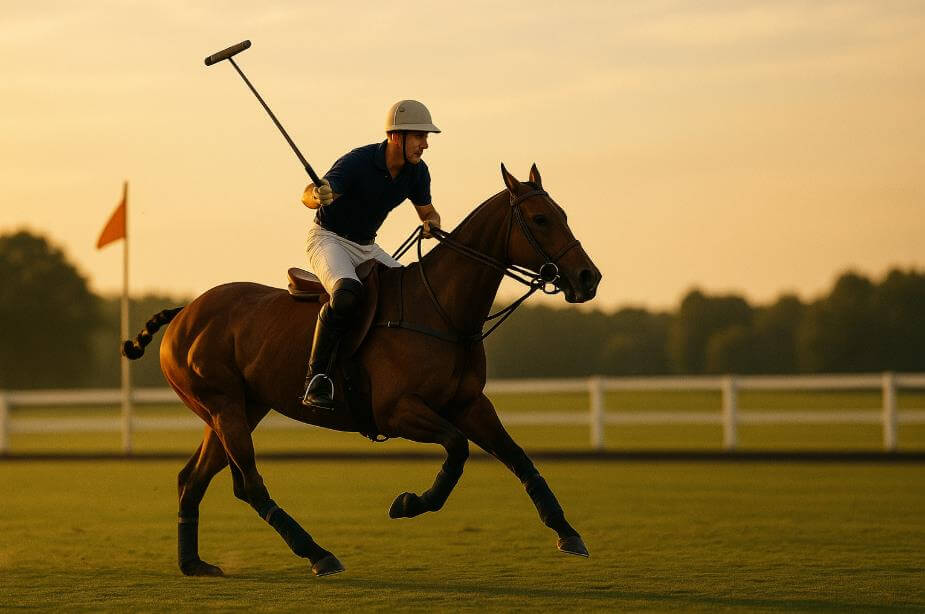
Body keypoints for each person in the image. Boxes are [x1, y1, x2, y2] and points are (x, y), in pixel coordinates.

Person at [300, 100, 442, 409]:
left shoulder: (417, 173)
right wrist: (317, 194)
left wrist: (432, 224)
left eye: (425, 137)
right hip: (329, 239)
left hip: (366, 246)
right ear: (396, 136)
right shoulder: (357, 162)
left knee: (412, 291)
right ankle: (316, 378)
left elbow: (429, 212)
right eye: (419, 136)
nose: (425, 145)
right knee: (347, 293)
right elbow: (311, 194)